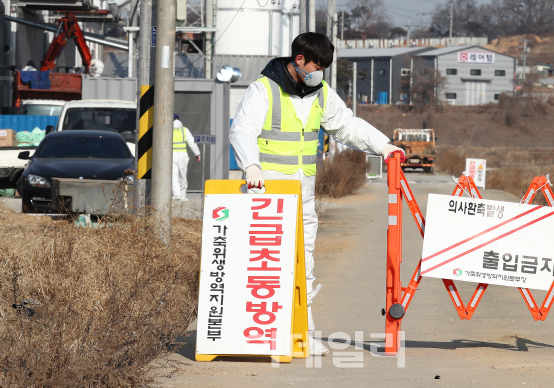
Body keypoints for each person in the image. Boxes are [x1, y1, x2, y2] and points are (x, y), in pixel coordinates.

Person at [229, 32, 405, 356]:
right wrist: (250, 166)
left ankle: (301, 334)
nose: (320, 71)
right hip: (266, 192)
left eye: (324, 66)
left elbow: (347, 126)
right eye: (316, 65)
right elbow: (242, 129)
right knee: (263, 265)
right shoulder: (263, 89)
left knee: (303, 263)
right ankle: (255, 333)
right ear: (299, 60)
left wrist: (384, 146)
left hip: (303, 195)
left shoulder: (321, 93)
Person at [172, 114, 200, 202]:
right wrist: (197, 154)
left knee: (174, 175)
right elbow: (192, 143)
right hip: (183, 155)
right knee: (183, 176)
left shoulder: (168, 129)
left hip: (171, 155)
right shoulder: (184, 130)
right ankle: (183, 196)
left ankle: (177, 195)